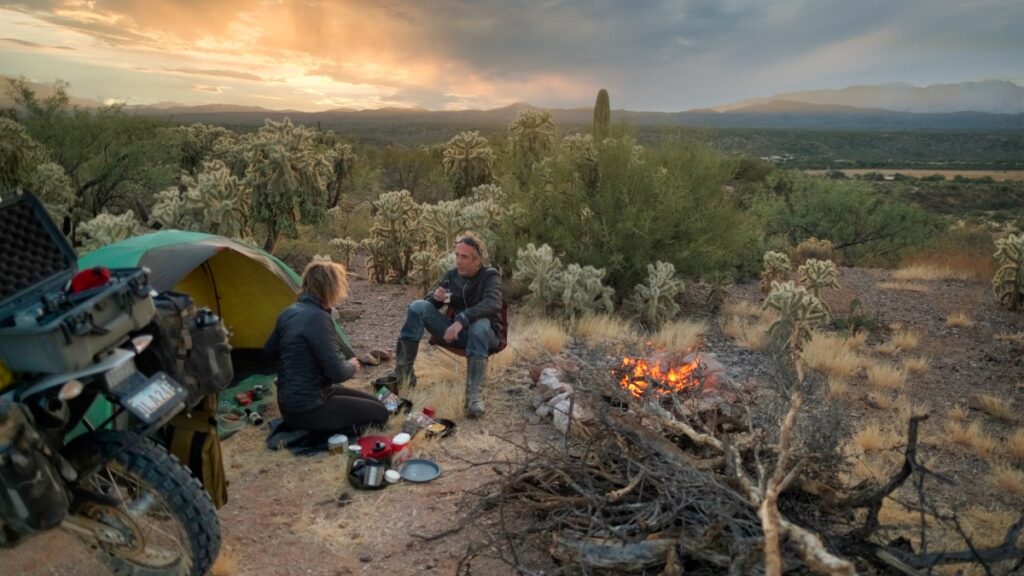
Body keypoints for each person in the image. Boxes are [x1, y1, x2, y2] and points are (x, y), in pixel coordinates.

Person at [263, 260, 388, 436]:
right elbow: (337, 373)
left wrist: (296, 369)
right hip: (309, 409)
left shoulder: (288, 312)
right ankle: (317, 433)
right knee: (380, 414)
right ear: (330, 288)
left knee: (376, 403)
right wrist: (352, 365)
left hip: (292, 404)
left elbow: (268, 354)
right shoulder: (318, 318)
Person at [387, 231, 503, 418]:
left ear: (477, 261)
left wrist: (462, 319)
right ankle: (404, 374)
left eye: (464, 257)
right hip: (455, 335)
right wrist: (434, 297)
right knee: (418, 306)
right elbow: (430, 307)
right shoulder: (452, 276)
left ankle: (473, 396)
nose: (459, 261)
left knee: (480, 323)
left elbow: (492, 304)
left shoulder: (490, 276)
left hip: (485, 337)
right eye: (457, 255)